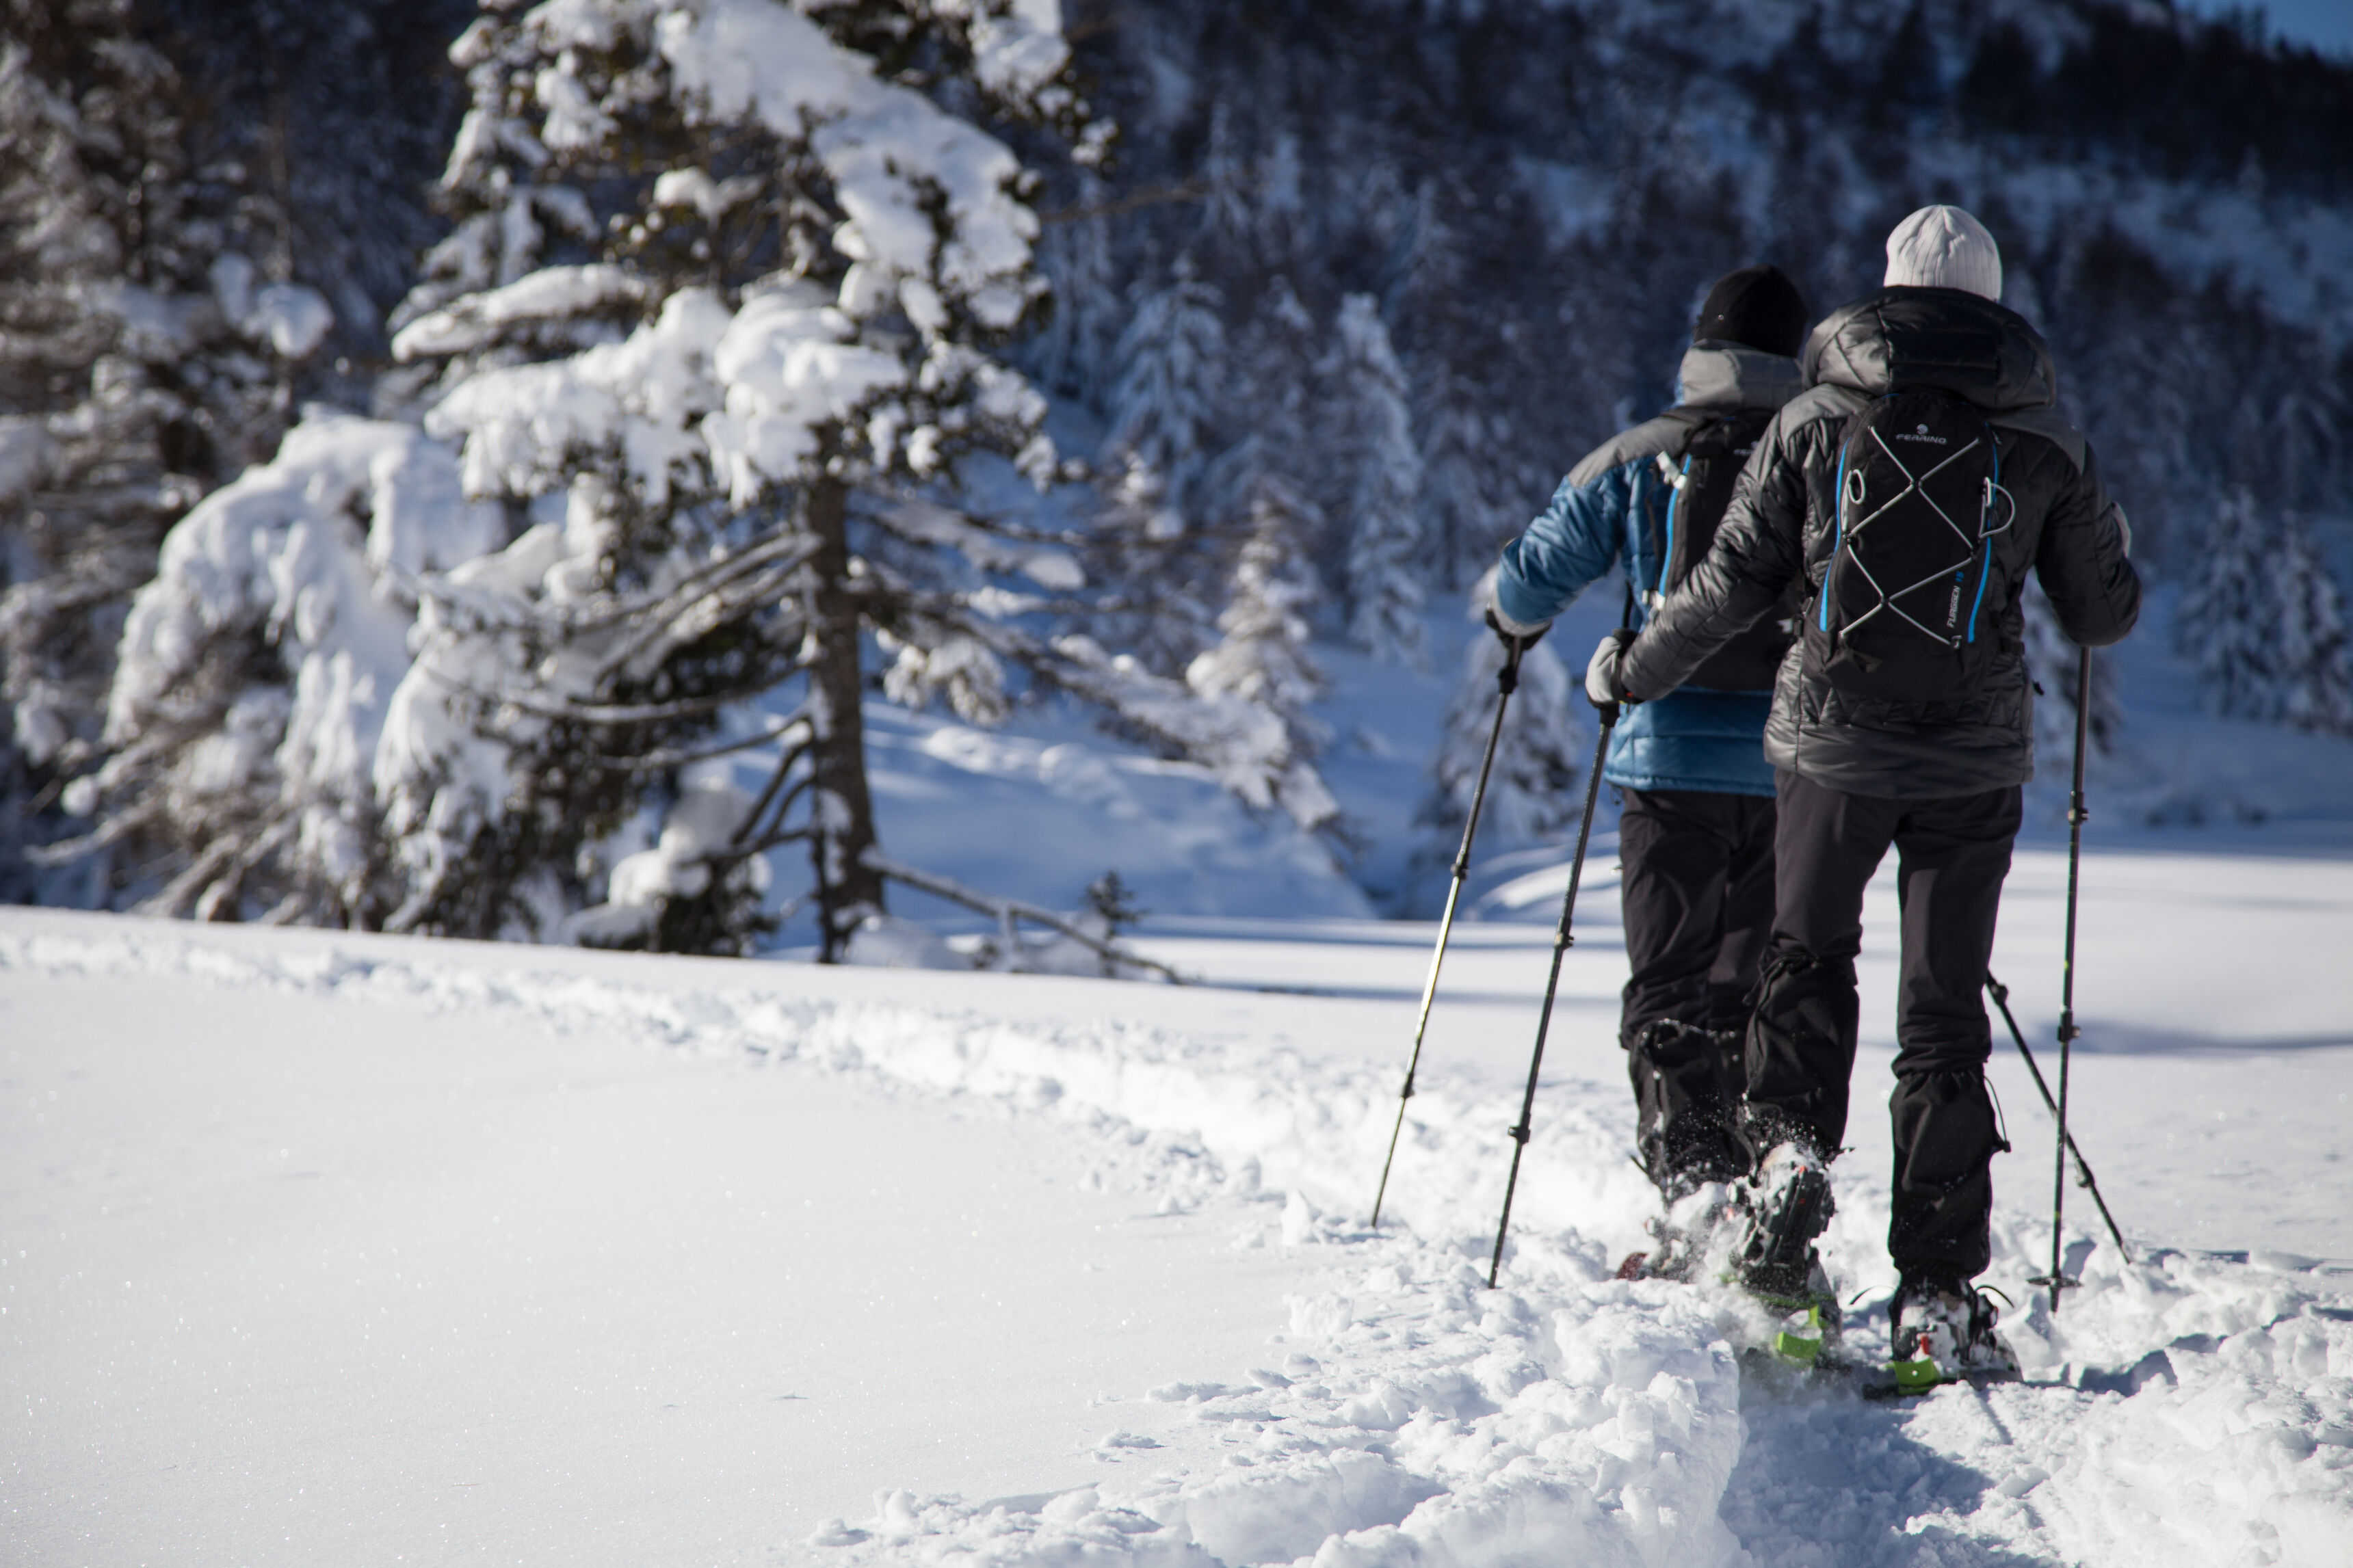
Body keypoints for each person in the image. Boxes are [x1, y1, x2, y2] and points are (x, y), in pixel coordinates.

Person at [1587, 205, 2142, 1377]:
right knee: (1940, 1015)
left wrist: (1630, 672)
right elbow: (2103, 612)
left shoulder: (1811, 422)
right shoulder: (2046, 439)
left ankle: (1784, 1207)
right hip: (1972, 762)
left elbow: (1728, 585)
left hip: (1827, 753)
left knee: (1802, 962)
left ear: (1884, 296)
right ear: (1991, 303)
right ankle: (1935, 1290)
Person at [1486, 264, 1811, 1226]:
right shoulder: (1824, 454)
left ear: (1701, 351)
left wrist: (1515, 628)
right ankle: (1765, 1191)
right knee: (1759, 986)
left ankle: (1693, 1193)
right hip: (1791, 765)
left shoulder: (1640, 456)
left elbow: (1526, 584)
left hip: (1665, 762)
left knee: (1667, 984)